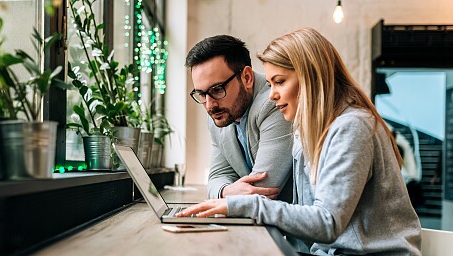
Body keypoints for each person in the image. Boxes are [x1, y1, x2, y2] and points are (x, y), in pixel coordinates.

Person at [178, 28, 422, 255]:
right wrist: (230, 198)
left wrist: (239, 205)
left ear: (311, 78)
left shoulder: (352, 127)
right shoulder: (308, 131)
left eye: (280, 82)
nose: (272, 94)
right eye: (271, 83)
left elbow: (327, 223)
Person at [186, 35, 294, 200]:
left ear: (247, 78)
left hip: (289, 221)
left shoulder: (276, 103)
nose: (209, 105)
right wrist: (225, 191)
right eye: (202, 94)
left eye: (217, 89)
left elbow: (262, 190)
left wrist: (224, 193)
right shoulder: (221, 113)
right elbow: (217, 177)